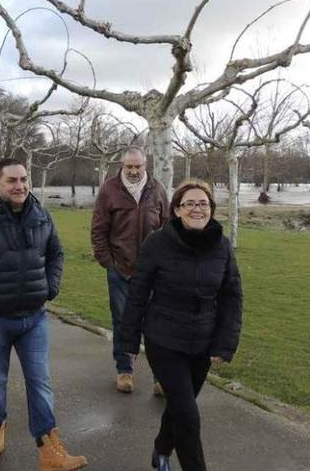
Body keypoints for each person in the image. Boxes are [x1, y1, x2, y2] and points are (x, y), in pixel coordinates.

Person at [0, 158, 87, 471]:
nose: (20, 185)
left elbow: (56, 252)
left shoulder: (41, 214)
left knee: (40, 381)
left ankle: (49, 450)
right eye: (11, 180)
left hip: (34, 317)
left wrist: (50, 287)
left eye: (24, 179)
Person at [118, 179, 243, 471]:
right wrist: (128, 341)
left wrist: (225, 343)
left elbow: (232, 296)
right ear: (176, 210)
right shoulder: (157, 244)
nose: (197, 209)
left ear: (211, 209)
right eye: (189, 203)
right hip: (164, 339)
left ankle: (161, 449)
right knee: (188, 415)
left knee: (179, 406)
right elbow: (137, 293)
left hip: (202, 341)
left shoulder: (222, 246)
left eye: (203, 203)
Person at [91, 146, 170, 395]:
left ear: (145, 165)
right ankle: (124, 370)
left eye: (138, 166)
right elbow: (98, 230)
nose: (134, 171)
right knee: (124, 322)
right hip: (120, 270)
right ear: (122, 166)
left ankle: (161, 377)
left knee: (157, 324)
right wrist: (108, 262)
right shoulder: (109, 190)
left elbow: (168, 226)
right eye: (129, 166)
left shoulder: (157, 189)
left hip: (153, 272)